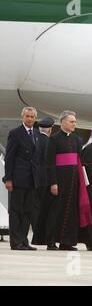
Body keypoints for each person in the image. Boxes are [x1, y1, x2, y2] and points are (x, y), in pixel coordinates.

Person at [46, 110, 92, 251]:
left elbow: (79, 162)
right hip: (59, 182)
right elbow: (50, 163)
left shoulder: (78, 140)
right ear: (63, 122)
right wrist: (53, 182)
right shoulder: (54, 139)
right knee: (56, 212)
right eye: (72, 121)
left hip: (73, 182)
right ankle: (51, 242)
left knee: (71, 213)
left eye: (75, 121)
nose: (74, 124)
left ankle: (66, 242)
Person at [2, 107, 40, 250]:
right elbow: (9, 157)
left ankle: (24, 241)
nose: (30, 119)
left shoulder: (36, 134)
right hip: (18, 178)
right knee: (16, 211)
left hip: (32, 179)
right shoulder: (15, 133)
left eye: (32, 117)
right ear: (22, 117)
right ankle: (16, 242)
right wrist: (9, 179)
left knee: (27, 212)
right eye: (27, 116)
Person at [31, 117, 58, 250]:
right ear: (50, 129)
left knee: (34, 207)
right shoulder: (49, 142)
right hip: (46, 181)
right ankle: (43, 235)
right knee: (45, 210)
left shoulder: (35, 140)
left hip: (34, 179)